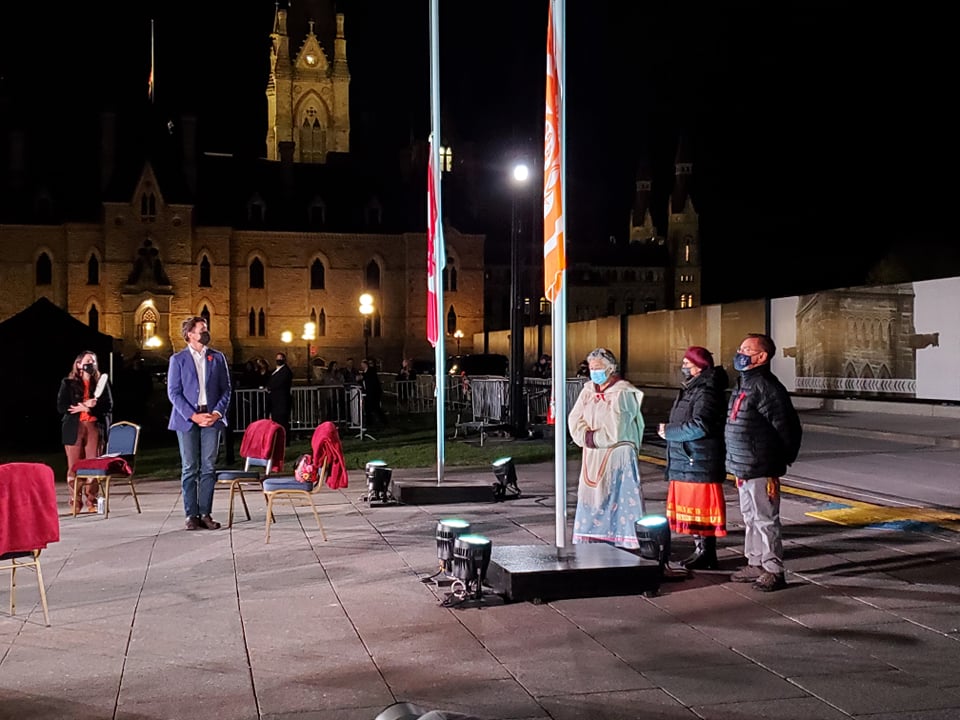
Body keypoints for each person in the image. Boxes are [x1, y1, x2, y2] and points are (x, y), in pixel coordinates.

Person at [725, 333, 803, 592]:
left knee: (765, 519)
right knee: (749, 517)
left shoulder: (767, 387)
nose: (740, 353)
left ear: (762, 357)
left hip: (761, 465)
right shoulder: (744, 383)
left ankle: (773, 569)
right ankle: (755, 562)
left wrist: (780, 459)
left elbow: (787, 427)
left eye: (747, 350)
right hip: (743, 465)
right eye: (740, 348)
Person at [658, 346, 729, 570]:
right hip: (689, 460)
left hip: (698, 459)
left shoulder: (706, 391)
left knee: (702, 510)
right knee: (693, 510)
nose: (683, 367)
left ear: (699, 366)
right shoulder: (692, 389)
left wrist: (669, 432)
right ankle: (700, 550)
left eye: (687, 363)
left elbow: (701, 425)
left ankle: (706, 553)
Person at [568, 348, 646, 550]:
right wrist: (585, 436)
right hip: (592, 452)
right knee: (592, 496)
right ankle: (592, 536)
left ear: (610, 369)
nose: (594, 372)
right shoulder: (588, 391)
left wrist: (596, 437)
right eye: (592, 368)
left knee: (618, 496)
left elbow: (617, 427)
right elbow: (575, 418)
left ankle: (623, 536)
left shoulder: (622, 392)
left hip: (617, 454)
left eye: (598, 368)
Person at [167, 317, 232, 531]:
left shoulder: (217, 357)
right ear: (190, 334)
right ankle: (191, 515)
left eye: (206, 329)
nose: (206, 332)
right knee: (189, 467)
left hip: (211, 417)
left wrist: (216, 413)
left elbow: (226, 389)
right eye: (201, 329)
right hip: (188, 419)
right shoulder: (178, 360)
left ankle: (205, 513)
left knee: (208, 466)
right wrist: (193, 416)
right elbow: (174, 393)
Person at [57, 351, 113, 512]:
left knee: (93, 465)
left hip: (94, 427)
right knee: (74, 466)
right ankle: (75, 501)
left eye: (93, 361)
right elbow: (62, 406)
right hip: (74, 428)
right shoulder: (68, 383)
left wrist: (90, 408)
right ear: (79, 364)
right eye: (88, 361)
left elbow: (108, 406)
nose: (91, 364)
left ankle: (91, 501)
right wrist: (81, 406)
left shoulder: (101, 382)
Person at [266, 351, 294, 444]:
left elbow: (280, 382)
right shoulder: (275, 371)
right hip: (275, 401)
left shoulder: (286, 371)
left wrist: (270, 387)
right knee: (276, 420)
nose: (278, 360)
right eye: (277, 358)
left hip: (282, 400)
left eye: (280, 358)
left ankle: (285, 440)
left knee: (282, 421)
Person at [359, 358, 386, 425]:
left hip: (374, 392)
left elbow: (369, 378)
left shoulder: (371, 371)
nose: (361, 366)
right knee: (368, 407)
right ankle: (369, 421)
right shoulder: (364, 372)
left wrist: (362, 377)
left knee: (375, 407)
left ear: (365, 364)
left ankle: (383, 420)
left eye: (362, 365)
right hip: (368, 392)